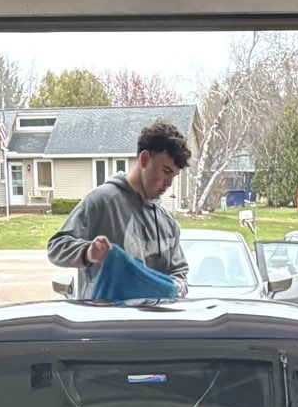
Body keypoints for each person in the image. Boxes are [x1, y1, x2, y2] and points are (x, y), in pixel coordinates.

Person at [47, 119, 191, 300]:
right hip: (105, 325)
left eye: (175, 176)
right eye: (166, 171)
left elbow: (179, 273)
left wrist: (177, 287)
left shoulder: (168, 223)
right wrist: (87, 252)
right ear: (144, 159)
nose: (170, 183)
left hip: (153, 326)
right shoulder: (102, 202)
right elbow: (56, 247)